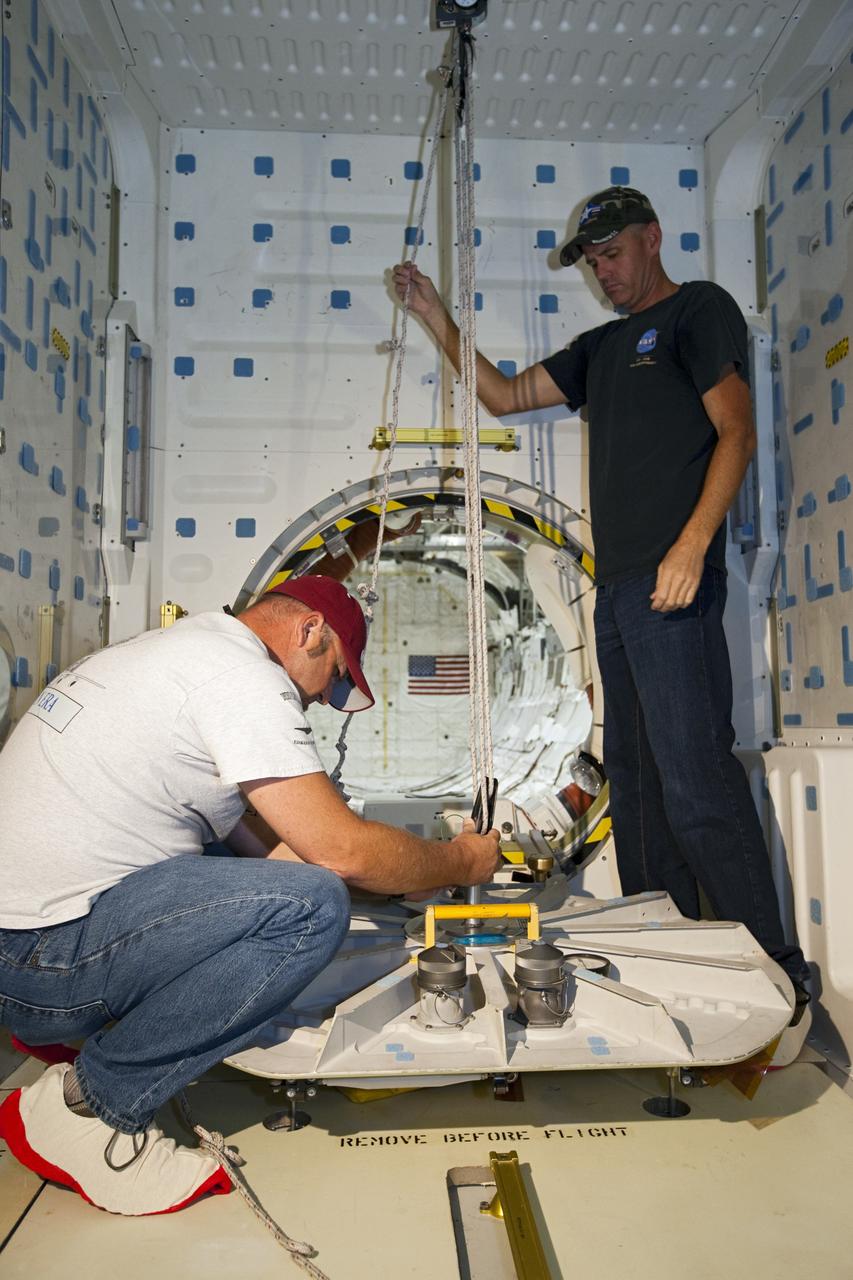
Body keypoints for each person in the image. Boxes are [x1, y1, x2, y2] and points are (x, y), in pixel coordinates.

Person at [392, 185, 810, 999]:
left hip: (673, 579)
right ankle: (670, 959)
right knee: (639, 782)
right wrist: (434, 314)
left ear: (651, 238)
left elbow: (737, 431)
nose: (602, 273)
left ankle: (775, 976)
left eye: (611, 255)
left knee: (695, 780)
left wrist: (691, 548)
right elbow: (504, 395)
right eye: (590, 262)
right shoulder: (600, 347)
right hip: (618, 591)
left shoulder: (697, 311)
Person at [0, 574, 500, 1215]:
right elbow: (334, 855)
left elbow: (267, 849)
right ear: (309, 630)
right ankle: (88, 1105)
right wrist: (461, 858)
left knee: (298, 886)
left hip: (26, 948)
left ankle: (78, 1030)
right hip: (41, 963)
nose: (324, 700)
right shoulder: (244, 679)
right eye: (336, 677)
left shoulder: (179, 654)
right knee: (311, 908)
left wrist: (408, 881)